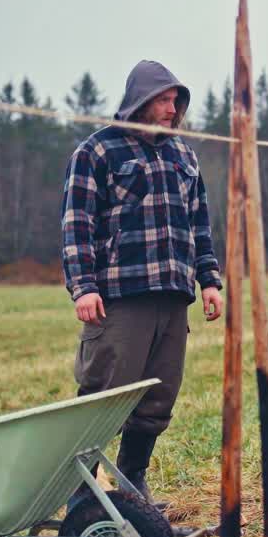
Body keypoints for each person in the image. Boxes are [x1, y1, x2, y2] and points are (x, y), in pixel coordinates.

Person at [61, 59, 224, 508]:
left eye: (177, 101)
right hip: (119, 298)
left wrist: (209, 280)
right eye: (165, 99)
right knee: (104, 397)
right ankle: (81, 493)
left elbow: (200, 225)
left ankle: (132, 481)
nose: (173, 109)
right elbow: (77, 225)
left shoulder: (183, 156)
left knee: (157, 399)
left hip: (173, 297)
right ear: (140, 100)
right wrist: (84, 286)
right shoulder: (97, 151)